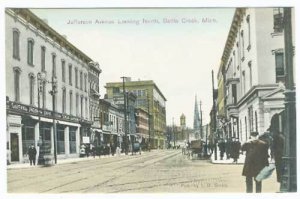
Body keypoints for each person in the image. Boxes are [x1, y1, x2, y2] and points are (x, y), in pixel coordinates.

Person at [270, 113, 284, 184]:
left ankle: (281, 183)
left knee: (280, 170)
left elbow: (273, 147)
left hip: (279, 155)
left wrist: (272, 156)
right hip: (278, 155)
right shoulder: (279, 136)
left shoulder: (276, 137)